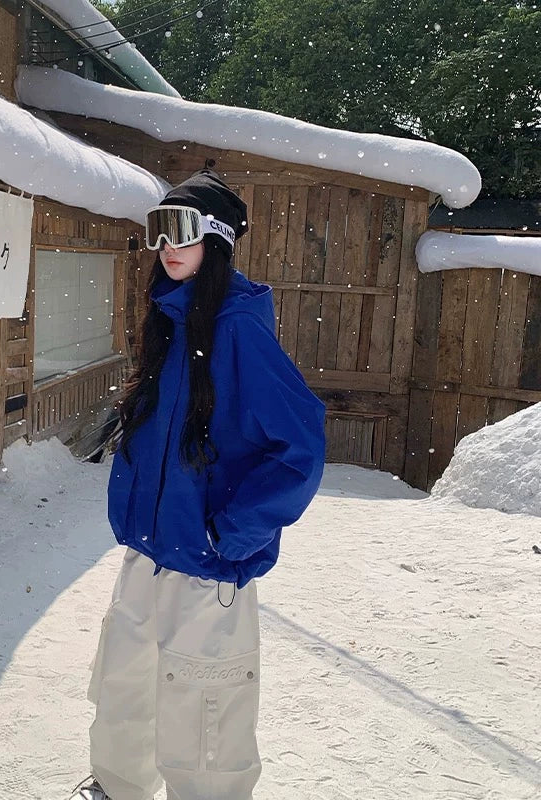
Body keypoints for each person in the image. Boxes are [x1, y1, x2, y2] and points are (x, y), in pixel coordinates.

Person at [69, 169, 326, 800]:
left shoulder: (235, 327)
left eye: (181, 229)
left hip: (208, 562)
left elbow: (301, 447)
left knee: (204, 703)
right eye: (157, 231)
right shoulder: (171, 322)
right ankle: (117, 787)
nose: (166, 246)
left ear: (216, 240)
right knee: (126, 683)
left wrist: (233, 532)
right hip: (150, 549)